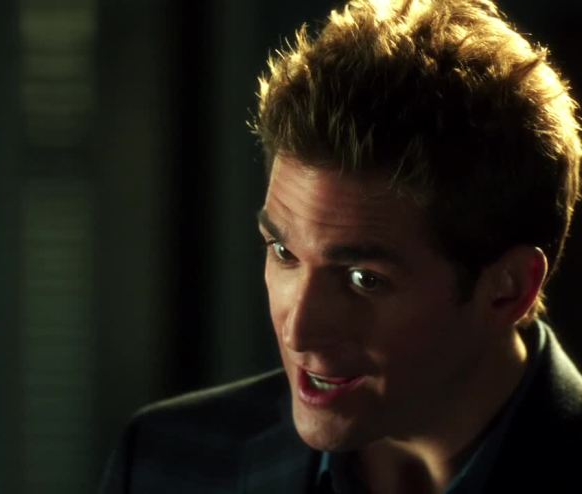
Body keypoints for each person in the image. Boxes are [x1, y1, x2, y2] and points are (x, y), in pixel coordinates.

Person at [99, 0, 582, 492]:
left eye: (363, 279)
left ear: (507, 289)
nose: (299, 332)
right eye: (283, 252)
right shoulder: (166, 463)